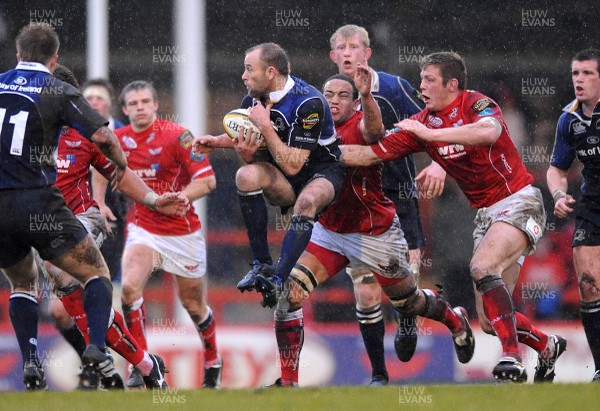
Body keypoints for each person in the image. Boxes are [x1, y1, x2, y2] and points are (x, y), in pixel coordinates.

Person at [340, 51, 566, 383]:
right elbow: (369, 153)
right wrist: (314, 152)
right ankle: (547, 346)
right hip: (487, 217)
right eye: (421, 79)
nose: (422, 86)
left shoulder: (475, 104)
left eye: (429, 79)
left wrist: (430, 138)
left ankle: (512, 358)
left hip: (520, 201)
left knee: (481, 267)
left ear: (453, 85)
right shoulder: (423, 121)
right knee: (491, 320)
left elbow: (488, 132)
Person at [266, 71, 474, 387]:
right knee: (288, 297)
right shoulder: (310, 126)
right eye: (328, 94)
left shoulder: (362, 125)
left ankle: (454, 319)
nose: (334, 101)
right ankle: (288, 382)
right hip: (330, 232)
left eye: (343, 96)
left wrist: (366, 95)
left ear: (355, 104)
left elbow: (374, 130)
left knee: (408, 302)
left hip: (373, 233)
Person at [42, 64, 187, 389]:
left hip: (83, 220)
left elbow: (120, 172)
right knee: (73, 308)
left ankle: (99, 364)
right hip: (41, 230)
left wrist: (151, 200)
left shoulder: (87, 133)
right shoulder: (24, 133)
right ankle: (145, 365)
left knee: (62, 273)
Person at [0, 22, 127, 390]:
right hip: (37, 201)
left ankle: (30, 365)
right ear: (54, 60)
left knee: (22, 283)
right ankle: (98, 350)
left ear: (19, 55)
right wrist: (121, 164)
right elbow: (103, 136)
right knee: (96, 273)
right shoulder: (57, 88)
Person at [329, 24, 447, 383]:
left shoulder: (394, 87)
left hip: (400, 197)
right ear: (333, 57)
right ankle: (379, 375)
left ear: (367, 54)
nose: (348, 52)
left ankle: (409, 314)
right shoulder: (328, 96)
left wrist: (440, 162)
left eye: (354, 46)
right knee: (365, 291)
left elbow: (433, 118)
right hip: (359, 204)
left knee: (402, 286)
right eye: (341, 48)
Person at [192, 42, 345, 310]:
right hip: (286, 178)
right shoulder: (252, 101)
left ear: (271, 72)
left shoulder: (308, 101)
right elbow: (253, 140)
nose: (244, 76)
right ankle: (262, 265)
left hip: (321, 173)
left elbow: (295, 164)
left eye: (249, 69)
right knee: (245, 175)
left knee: (307, 201)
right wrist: (217, 142)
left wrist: (264, 125)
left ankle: (278, 278)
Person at [115, 80, 222, 389]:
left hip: (182, 232)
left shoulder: (178, 136)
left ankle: (213, 360)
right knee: (129, 290)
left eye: (145, 101)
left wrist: (184, 197)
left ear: (156, 104)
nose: (140, 107)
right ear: (125, 109)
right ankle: (142, 363)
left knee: (193, 305)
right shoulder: (118, 140)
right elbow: (100, 169)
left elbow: (208, 180)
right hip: (143, 228)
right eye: (133, 103)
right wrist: (96, 201)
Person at [546, 48, 600, 382]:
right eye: (575, 74)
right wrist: (558, 193)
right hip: (592, 204)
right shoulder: (569, 119)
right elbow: (556, 169)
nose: (578, 80)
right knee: (588, 283)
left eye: (587, 74)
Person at [82, 78, 128, 286]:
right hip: (76, 204)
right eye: (88, 98)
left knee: (111, 272)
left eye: (99, 98)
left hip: (114, 207)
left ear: (109, 102)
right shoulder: (70, 130)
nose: (93, 102)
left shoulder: (123, 133)